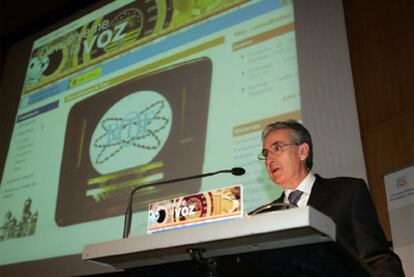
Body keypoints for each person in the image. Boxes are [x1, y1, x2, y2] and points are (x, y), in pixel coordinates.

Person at [251, 119, 404, 276]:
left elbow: (378, 258)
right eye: (266, 153)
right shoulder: (264, 216)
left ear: (302, 151)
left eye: (277, 148)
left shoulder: (347, 192)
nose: (269, 160)